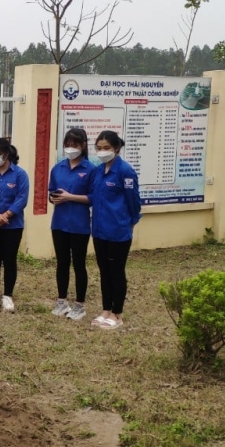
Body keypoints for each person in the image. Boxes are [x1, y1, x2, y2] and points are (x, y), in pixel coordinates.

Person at [86, 130, 141, 330]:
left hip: (118, 230)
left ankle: (117, 314)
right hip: (99, 230)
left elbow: (133, 201)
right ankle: (105, 310)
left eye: (107, 148)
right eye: (99, 148)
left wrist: (132, 221)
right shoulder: (98, 171)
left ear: (116, 148)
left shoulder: (125, 171)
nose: (102, 152)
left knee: (116, 272)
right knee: (104, 271)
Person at [47, 128, 94, 321]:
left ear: (83, 146)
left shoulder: (90, 169)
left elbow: (92, 198)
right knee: (62, 263)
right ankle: (61, 301)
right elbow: (52, 193)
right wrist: (54, 198)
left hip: (79, 225)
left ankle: (80, 305)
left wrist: (70, 197)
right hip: (59, 223)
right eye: (67, 144)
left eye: (74, 145)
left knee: (79, 264)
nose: (70, 148)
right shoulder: (58, 168)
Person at [0, 138, 29, 312]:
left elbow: (21, 198)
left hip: (13, 225)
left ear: (6, 154)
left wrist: (6, 215)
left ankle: (7, 295)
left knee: (9, 260)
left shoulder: (20, 174)